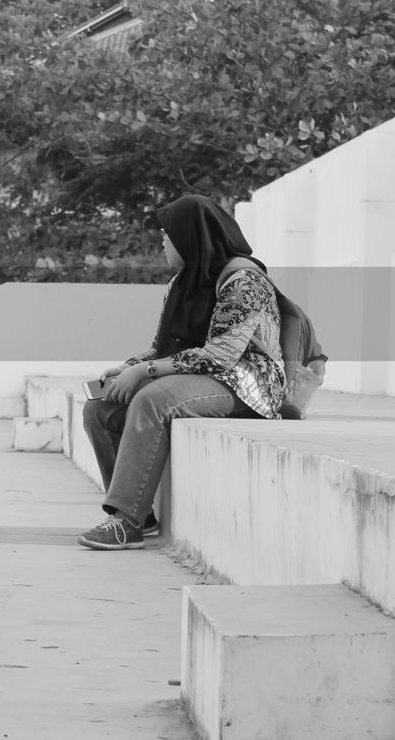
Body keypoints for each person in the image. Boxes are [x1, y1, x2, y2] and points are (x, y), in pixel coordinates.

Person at [78, 194, 284, 550]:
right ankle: (141, 513)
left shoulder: (244, 281)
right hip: (201, 378)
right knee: (100, 410)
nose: (161, 241)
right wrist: (129, 368)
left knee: (153, 399)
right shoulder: (182, 283)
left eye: (167, 234)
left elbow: (221, 355)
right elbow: (164, 347)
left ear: (190, 236)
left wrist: (148, 372)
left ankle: (125, 521)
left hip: (248, 384)